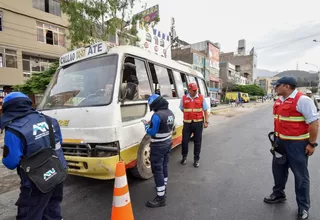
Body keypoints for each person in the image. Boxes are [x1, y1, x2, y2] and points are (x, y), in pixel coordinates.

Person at [1, 92, 67, 220]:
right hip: (58, 172)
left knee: (29, 214)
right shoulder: (50, 120)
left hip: (36, 181)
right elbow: (58, 143)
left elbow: (10, 163)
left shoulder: (14, 129)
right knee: (52, 209)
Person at [264, 76, 319, 220]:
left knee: (301, 177)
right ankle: (278, 194)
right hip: (279, 143)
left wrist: (312, 144)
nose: (275, 88)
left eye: (277, 86)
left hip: (297, 145)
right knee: (278, 171)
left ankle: (303, 207)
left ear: (287, 86)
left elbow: (314, 123)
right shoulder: (280, 100)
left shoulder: (303, 101)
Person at [144, 94, 175, 208]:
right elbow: (170, 126)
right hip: (168, 142)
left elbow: (152, 132)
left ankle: (160, 198)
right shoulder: (170, 112)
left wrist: (146, 126)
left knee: (157, 169)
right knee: (164, 166)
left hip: (158, 145)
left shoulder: (156, 115)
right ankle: (163, 186)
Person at [180, 82, 209, 168]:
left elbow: (205, 111)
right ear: (189, 90)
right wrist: (189, 115)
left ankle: (196, 160)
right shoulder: (184, 98)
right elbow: (182, 109)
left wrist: (206, 121)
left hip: (198, 123)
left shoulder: (201, 98)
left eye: (196, 90)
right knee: (184, 141)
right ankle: (184, 157)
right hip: (187, 123)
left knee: (197, 142)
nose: (195, 91)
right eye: (193, 90)